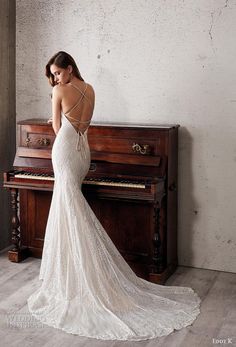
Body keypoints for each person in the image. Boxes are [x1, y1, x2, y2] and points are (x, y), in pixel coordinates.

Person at [27, 51, 201, 341]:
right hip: (84, 151)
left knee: (67, 206)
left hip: (66, 150)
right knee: (70, 205)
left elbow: (58, 129)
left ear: (69, 69)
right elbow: (81, 122)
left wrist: (55, 115)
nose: (55, 78)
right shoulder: (90, 88)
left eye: (57, 72)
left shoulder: (59, 90)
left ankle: (77, 276)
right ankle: (78, 270)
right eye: (54, 75)